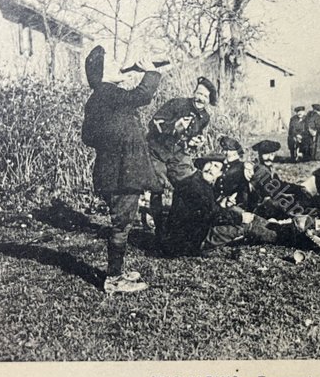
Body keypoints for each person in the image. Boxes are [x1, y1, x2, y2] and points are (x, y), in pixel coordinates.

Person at [81, 45, 162, 294]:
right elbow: (142, 96)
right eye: (113, 61)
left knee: (122, 222)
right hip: (121, 174)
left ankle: (117, 272)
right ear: (103, 73)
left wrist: (113, 141)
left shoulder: (99, 98)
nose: (119, 64)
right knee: (122, 225)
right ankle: (114, 279)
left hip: (113, 172)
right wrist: (151, 72)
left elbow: (88, 136)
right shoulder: (108, 93)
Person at [158, 154, 307, 257]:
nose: (210, 168)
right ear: (202, 166)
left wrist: (226, 205)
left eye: (216, 166)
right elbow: (212, 215)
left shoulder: (200, 182)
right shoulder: (195, 186)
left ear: (219, 174)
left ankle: (283, 229)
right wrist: (239, 218)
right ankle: (287, 237)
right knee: (245, 226)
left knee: (245, 216)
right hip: (187, 243)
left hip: (190, 235)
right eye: (209, 164)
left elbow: (208, 209)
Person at [146, 76, 218, 232]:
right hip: (157, 150)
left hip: (178, 154)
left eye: (205, 96)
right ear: (194, 92)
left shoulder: (205, 117)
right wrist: (174, 127)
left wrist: (195, 141)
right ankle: (159, 227)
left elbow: (192, 136)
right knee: (157, 187)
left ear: (209, 100)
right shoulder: (177, 104)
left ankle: (176, 224)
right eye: (199, 93)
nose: (201, 98)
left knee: (188, 181)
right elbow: (154, 123)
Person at [248, 140, 315, 219]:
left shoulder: (268, 168)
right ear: (259, 154)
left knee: (299, 196)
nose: (269, 158)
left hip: (269, 201)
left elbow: (279, 184)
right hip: (260, 205)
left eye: (272, 154)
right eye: (265, 154)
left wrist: (297, 188)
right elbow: (269, 191)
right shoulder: (260, 170)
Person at [214, 136, 252, 208]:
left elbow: (244, 189)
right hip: (220, 202)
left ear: (236, 151)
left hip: (236, 203)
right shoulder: (222, 165)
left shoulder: (243, 166)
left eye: (228, 150)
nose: (225, 152)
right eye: (224, 149)